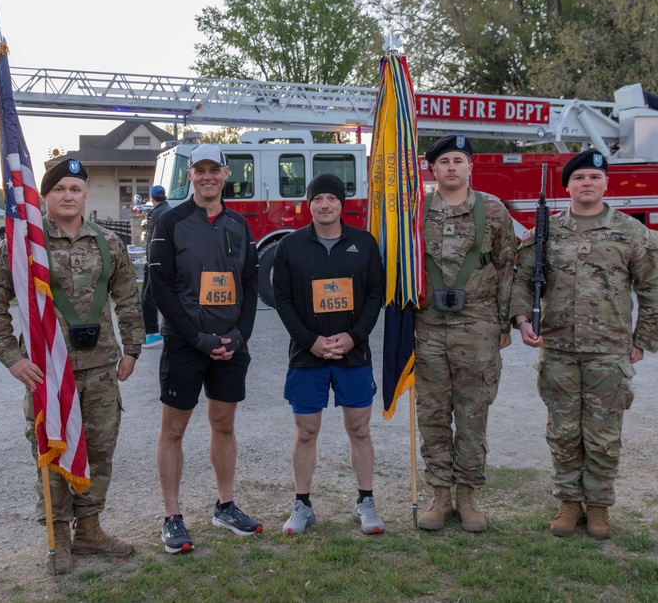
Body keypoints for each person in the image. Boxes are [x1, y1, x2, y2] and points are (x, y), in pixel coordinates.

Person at [0, 158, 144, 574]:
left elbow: (128, 298)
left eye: (75, 189)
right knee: (53, 453)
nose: (68, 196)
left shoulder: (111, 243)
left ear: (85, 195)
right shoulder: (21, 247)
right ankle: (60, 539)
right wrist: (12, 359)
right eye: (59, 190)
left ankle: (90, 530)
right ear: (45, 197)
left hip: (103, 368)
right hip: (48, 373)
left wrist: (132, 349)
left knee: (100, 451)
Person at [511, 148, 658, 540]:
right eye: (579, 178)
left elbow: (652, 289)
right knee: (563, 431)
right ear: (568, 186)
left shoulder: (631, 232)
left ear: (605, 184)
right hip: (558, 346)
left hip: (609, 349)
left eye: (594, 178)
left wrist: (643, 340)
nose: (587, 184)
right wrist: (522, 319)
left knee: (604, 433)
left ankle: (598, 507)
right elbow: (522, 280)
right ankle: (568, 503)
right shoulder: (546, 232)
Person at [148, 143, 261, 554]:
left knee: (224, 425)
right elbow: (160, 288)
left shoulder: (239, 224)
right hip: (185, 344)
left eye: (215, 169)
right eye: (200, 170)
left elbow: (250, 285)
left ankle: (225, 505)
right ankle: (172, 517)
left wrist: (239, 335)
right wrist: (198, 338)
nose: (208, 176)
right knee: (173, 429)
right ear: (190, 175)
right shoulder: (170, 221)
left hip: (230, 343)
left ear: (226, 174)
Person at [412, 135, 517, 533]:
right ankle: (440, 495)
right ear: (432, 169)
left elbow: (509, 265)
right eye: (444, 162)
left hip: (478, 327)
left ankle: (468, 496)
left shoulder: (492, 210)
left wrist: (505, 323)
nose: (452, 167)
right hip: (429, 328)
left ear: (471, 167)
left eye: (459, 160)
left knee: (473, 415)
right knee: (434, 415)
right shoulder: (416, 210)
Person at [271, 174, 386, 536]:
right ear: (309, 204)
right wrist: (310, 341)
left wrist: (354, 337)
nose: (324, 205)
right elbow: (283, 300)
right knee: (306, 432)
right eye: (318, 198)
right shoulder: (290, 246)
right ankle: (302, 505)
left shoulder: (363, 244)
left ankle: (365, 502)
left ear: (342, 203)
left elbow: (374, 296)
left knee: (360, 429)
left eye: (331, 199)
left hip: (354, 354)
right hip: (308, 356)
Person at [142, 185, 171, 348]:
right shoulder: (169, 210)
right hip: (167, 260)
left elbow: (151, 239)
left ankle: (152, 333)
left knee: (148, 296)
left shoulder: (156, 213)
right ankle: (165, 330)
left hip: (155, 260)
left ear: (151, 198)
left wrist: (148, 259)